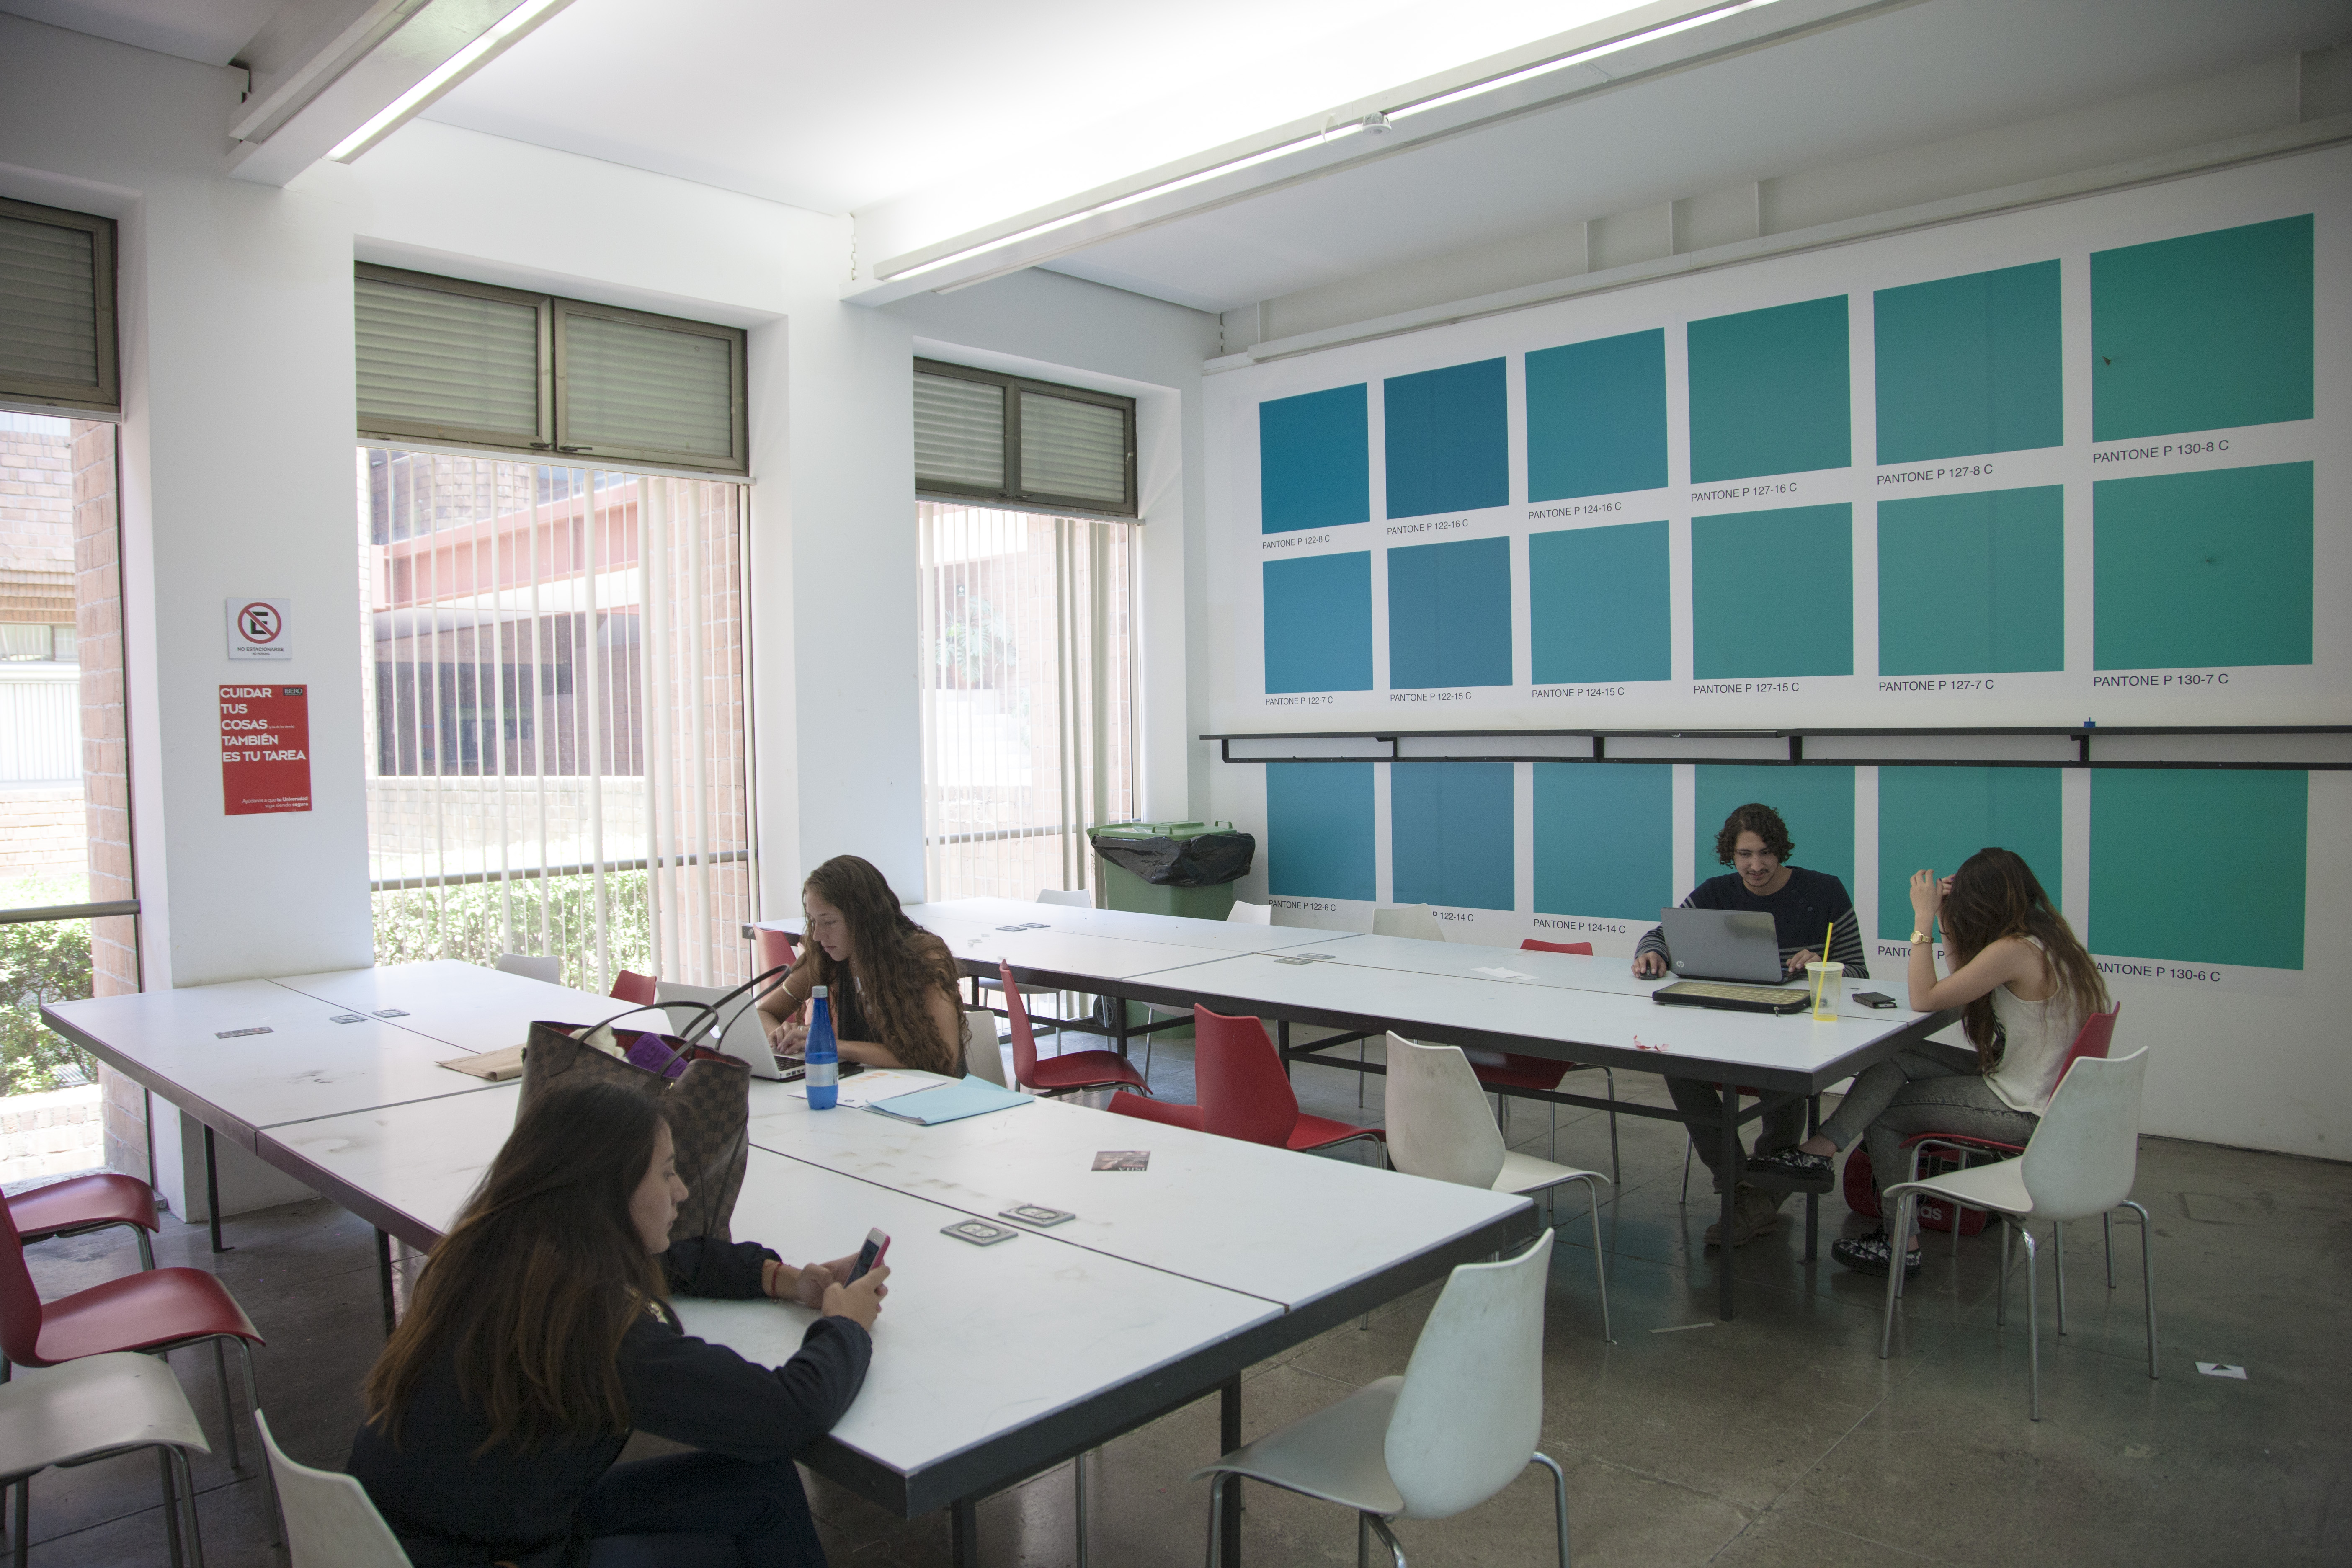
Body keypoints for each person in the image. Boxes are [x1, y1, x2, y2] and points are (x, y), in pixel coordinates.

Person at [350, 1081, 890, 1567]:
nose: (682, 1190)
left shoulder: (503, 1252)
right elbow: (788, 1412)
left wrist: (783, 1280)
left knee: (762, 1486)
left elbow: (672, 1262)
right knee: (740, 1535)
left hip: (402, 1533)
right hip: (485, 1553)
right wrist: (847, 1326)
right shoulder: (590, 1325)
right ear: (610, 1191)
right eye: (667, 1172)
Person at [1744, 846, 2109, 1277]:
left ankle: (1901, 1242)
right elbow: (1962, 984)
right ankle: (1821, 1150)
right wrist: (1945, 919)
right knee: (1896, 1055)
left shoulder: (2014, 950)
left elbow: (1925, 998)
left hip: (2023, 1108)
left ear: (1985, 901)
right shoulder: (2044, 940)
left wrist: (1922, 922)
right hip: (2038, 1092)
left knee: (1888, 1116)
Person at [1630, 802, 1868, 1248]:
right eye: (1744, 855)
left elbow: (1857, 971)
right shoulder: (1715, 891)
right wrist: (1652, 951)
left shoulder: (1824, 891)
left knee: (1787, 1081)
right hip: (1724, 1023)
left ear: (1780, 851)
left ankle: (1759, 1193)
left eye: (1764, 853)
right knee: (1678, 1067)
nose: (1755, 865)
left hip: (1793, 1027)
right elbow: (1662, 933)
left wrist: (1821, 963)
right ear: (1731, 855)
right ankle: (1743, 1186)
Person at [759, 854, 965, 1075]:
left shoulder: (925, 956)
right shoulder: (826, 956)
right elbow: (764, 1013)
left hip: (934, 1089)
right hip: (867, 1087)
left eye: (829, 922)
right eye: (813, 921)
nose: (817, 935)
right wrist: (781, 1036)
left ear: (863, 918)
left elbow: (943, 1058)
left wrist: (836, 1045)